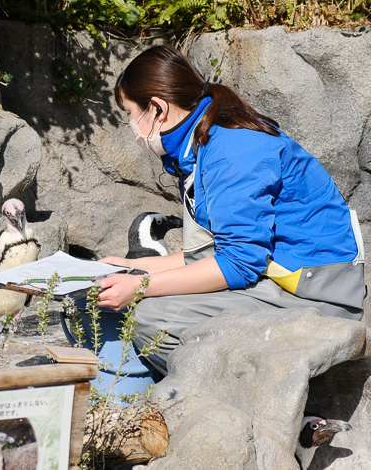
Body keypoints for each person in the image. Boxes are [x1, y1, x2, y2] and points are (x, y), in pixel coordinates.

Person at [97, 45, 365, 375]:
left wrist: (140, 286)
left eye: (129, 114)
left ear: (156, 109)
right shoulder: (201, 145)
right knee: (145, 295)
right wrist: (129, 267)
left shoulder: (230, 151)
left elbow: (238, 264)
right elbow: (209, 254)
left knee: (152, 318)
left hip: (314, 295)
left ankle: (241, 397)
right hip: (277, 280)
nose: (132, 127)